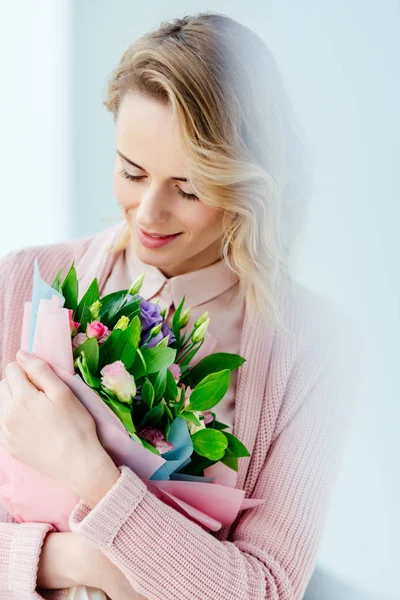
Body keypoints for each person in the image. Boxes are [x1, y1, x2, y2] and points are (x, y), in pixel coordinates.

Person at [0, 11, 360, 600]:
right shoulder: (18, 282)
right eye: (131, 172)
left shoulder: (315, 347)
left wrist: (90, 472)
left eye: (188, 188)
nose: (148, 213)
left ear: (248, 185)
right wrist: (77, 560)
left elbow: (264, 590)